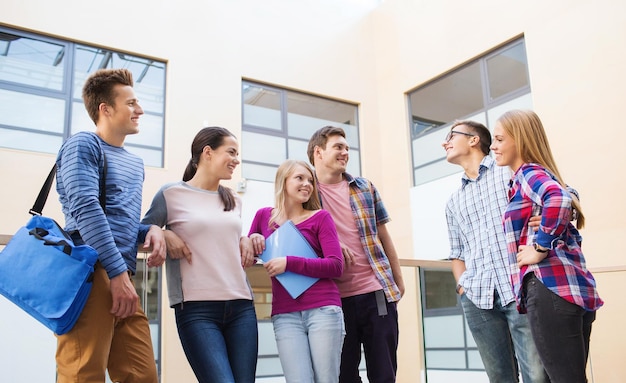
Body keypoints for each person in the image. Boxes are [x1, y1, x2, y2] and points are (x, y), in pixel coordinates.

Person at [55, 68, 166, 382]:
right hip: (90, 274)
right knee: (83, 373)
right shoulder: (83, 145)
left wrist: (151, 230)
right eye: (131, 103)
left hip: (122, 276)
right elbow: (86, 208)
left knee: (141, 374)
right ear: (105, 109)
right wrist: (116, 273)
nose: (139, 110)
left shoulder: (135, 162)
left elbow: (122, 221)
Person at [491, 109, 603, 383]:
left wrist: (539, 248)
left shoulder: (528, 174)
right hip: (572, 290)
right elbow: (565, 196)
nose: (493, 146)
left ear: (519, 139)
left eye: (499, 139)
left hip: (548, 288)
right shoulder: (539, 176)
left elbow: (560, 200)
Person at [141, 127, 258, 383]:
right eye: (231, 152)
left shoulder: (234, 200)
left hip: (241, 306)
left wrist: (246, 239)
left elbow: (226, 239)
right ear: (207, 152)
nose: (236, 160)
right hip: (197, 309)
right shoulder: (171, 194)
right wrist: (161, 232)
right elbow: (137, 235)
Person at [442, 120, 549, 382]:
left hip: (520, 288)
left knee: (537, 376)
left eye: (450, 136)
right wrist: (463, 286)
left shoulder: (509, 171)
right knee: (499, 377)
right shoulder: (453, 201)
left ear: (473, 139)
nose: (444, 143)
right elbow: (457, 253)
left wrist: (551, 216)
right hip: (478, 297)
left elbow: (559, 193)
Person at [307, 126, 405, 383]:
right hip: (333, 300)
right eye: (338, 147)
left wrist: (397, 278)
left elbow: (383, 235)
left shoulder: (364, 187)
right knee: (343, 375)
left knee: (384, 374)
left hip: (376, 293)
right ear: (318, 152)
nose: (345, 152)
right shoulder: (306, 193)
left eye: (347, 148)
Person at [248, 159, 345, 382]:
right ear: (283, 182)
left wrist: (289, 262)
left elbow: (335, 265)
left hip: (323, 310)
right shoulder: (264, 217)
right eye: (299, 178)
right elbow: (249, 257)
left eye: (310, 180)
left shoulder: (321, 217)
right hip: (285, 314)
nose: (307, 184)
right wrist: (251, 238)